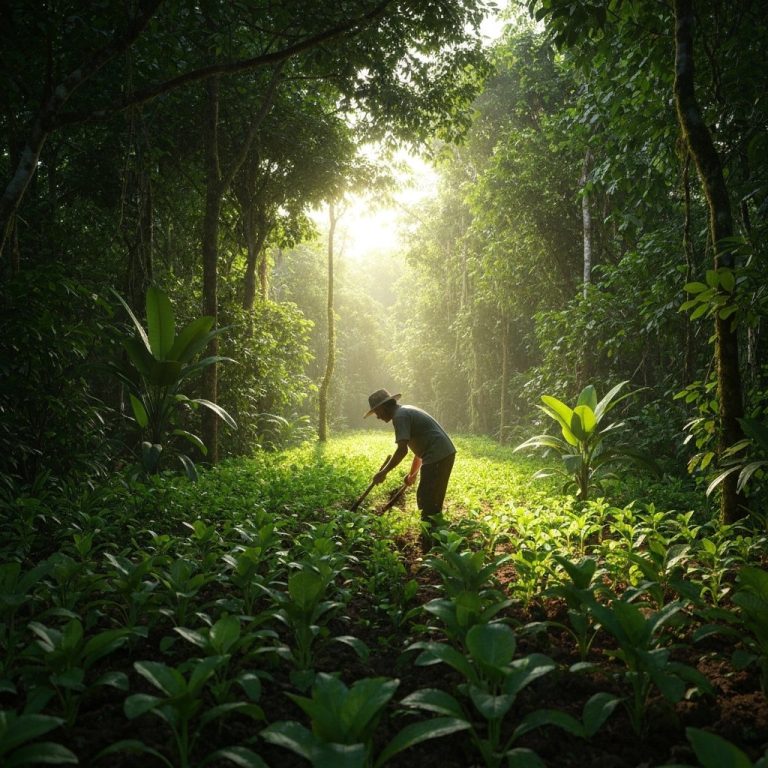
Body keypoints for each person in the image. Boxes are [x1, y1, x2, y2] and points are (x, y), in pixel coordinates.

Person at [364, 388, 456, 545]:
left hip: (438, 455)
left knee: (426, 499)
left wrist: (384, 472)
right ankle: (436, 538)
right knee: (431, 498)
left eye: (377, 412)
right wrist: (412, 474)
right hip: (443, 453)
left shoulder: (400, 417)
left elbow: (402, 450)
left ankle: (431, 541)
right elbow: (418, 451)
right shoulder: (405, 411)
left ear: (383, 407)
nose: (378, 417)